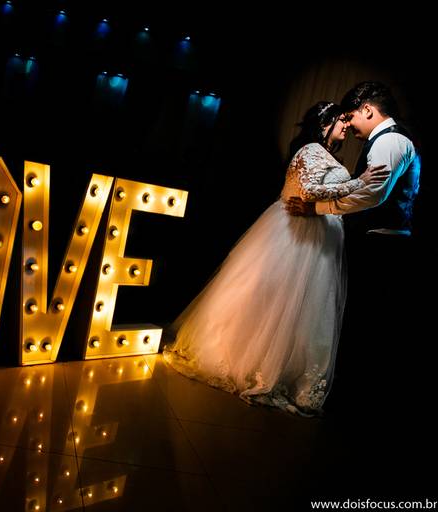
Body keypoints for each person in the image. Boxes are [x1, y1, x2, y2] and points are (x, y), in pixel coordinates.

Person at [162, 101, 388, 416]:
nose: (347, 126)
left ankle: (286, 370)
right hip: (296, 232)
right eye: (341, 121)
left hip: (319, 235)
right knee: (274, 303)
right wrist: (358, 182)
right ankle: (249, 362)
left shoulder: (327, 155)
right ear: (325, 123)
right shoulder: (310, 149)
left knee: (301, 309)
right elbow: (307, 191)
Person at [285, 82, 421, 410]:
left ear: (368, 110)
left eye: (351, 117)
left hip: (382, 245)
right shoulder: (386, 140)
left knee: (362, 327)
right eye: (341, 120)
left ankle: (349, 403)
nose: (350, 126)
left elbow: (372, 195)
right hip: (376, 240)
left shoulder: (389, 142)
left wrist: (318, 209)